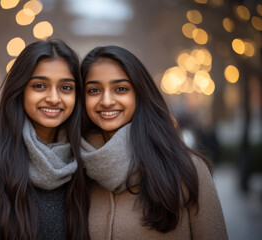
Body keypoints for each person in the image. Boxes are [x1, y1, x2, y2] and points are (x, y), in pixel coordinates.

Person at [0, 40, 89, 240]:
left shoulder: (81, 170)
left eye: (66, 87)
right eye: (39, 86)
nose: (54, 98)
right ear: (20, 91)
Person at [79, 45, 228, 240]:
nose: (106, 100)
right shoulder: (75, 172)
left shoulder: (187, 169)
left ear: (139, 94)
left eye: (121, 89)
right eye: (94, 90)